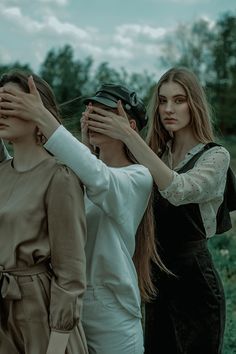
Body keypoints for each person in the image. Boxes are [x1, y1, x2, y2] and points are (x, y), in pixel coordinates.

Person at [0, 80, 169, 354]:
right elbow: (21, 170)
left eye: (104, 113)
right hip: (57, 303)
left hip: (109, 313)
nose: (92, 117)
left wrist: (40, 114)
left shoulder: (138, 177)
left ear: (130, 127)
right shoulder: (70, 172)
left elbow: (99, 178)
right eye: (90, 111)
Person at [73, 67, 230, 354]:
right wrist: (90, 139)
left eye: (179, 100)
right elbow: (107, 179)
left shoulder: (216, 156)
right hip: (154, 275)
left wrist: (129, 135)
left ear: (194, 104)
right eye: (162, 100)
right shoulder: (154, 153)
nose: (168, 109)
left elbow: (179, 189)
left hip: (194, 279)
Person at [0, 71, 88, 354]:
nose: (2, 112)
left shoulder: (59, 176)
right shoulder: (1, 172)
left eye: (10, 104)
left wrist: (57, 345)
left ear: (38, 112)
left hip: (38, 312)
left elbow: (71, 273)